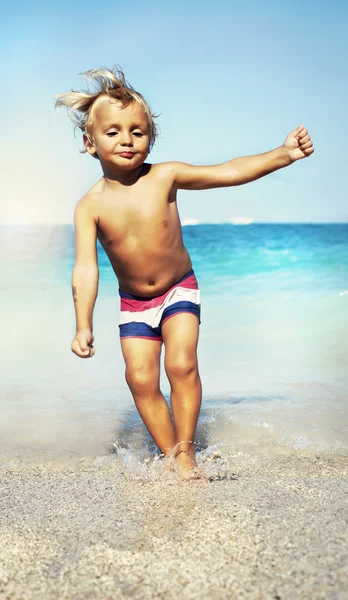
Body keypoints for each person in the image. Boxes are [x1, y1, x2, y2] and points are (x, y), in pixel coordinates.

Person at [55, 66, 314, 483]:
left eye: (138, 132)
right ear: (90, 143)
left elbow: (228, 172)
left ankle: (187, 454)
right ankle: (170, 452)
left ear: (150, 139)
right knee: (140, 380)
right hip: (134, 304)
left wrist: (283, 154)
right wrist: (82, 324)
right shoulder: (89, 206)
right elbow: (85, 268)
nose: (126, 139)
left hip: (178, 290)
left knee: (181, 365)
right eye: (114, 132)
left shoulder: (165, 176)